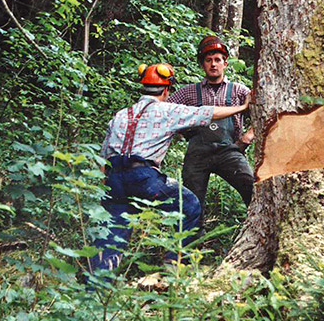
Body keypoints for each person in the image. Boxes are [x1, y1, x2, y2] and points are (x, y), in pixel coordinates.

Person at [90, 62, 250, 273]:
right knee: (189, 205)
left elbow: (104, 157)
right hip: (144, 176)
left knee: (114, 229)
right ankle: (173, 268)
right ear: (166, 90)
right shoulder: (167, 111)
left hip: (114, 178)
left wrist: (106, 188)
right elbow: (207, 113)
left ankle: (97, 283)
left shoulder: (121, 115)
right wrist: (242, 107)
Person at [168, 36, 254, 222]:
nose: (213, 64)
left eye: (217, 60)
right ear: (202, 64)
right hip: (197, 155)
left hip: (229, 152)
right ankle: (191, 245)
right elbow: (164, 111)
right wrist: (182, 129)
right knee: (191, 203)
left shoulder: (239, 91)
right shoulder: (189, 92)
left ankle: (259, 229)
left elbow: (265, 108)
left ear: (225, 63)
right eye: (208, 60)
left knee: (252, 188)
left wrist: (249, 135)